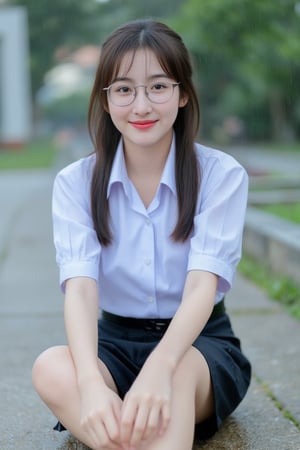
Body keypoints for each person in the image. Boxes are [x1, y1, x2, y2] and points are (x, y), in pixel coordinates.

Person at [32, 19, 251, 450]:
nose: (141, 106)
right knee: (50, 367)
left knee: (178, 372)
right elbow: (80, 291)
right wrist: (91, 381)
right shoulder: (76, 182)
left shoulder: (221, 176)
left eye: (158, 87)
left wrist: (160, 367)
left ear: (183, 94)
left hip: (197, 345)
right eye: (124, 89)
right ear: (107, 99)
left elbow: (201, 288)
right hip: (113, 344)